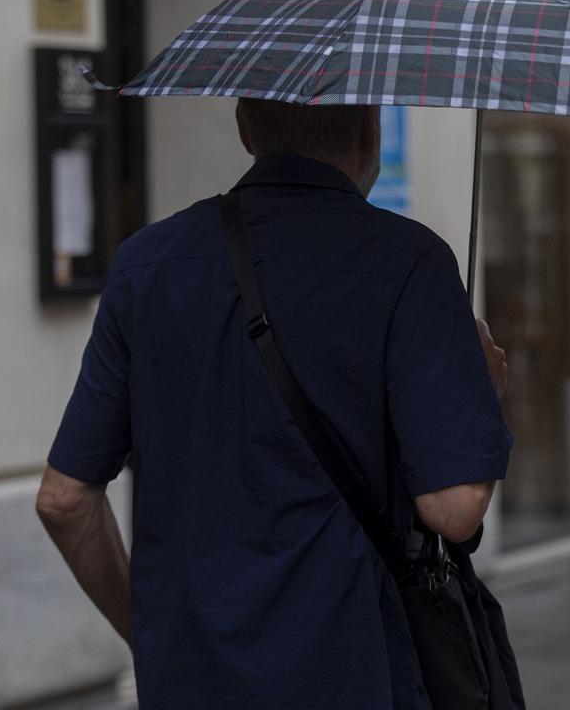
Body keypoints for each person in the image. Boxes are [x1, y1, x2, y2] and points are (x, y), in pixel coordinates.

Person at [34, 99, 513, 709]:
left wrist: (150, 634)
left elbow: (64, 500)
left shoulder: (144, 264)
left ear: (244, 129)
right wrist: (483, 398)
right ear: (370, 132)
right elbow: (454, 510)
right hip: (353, 672)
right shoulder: (410, 262)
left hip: (189, 683)